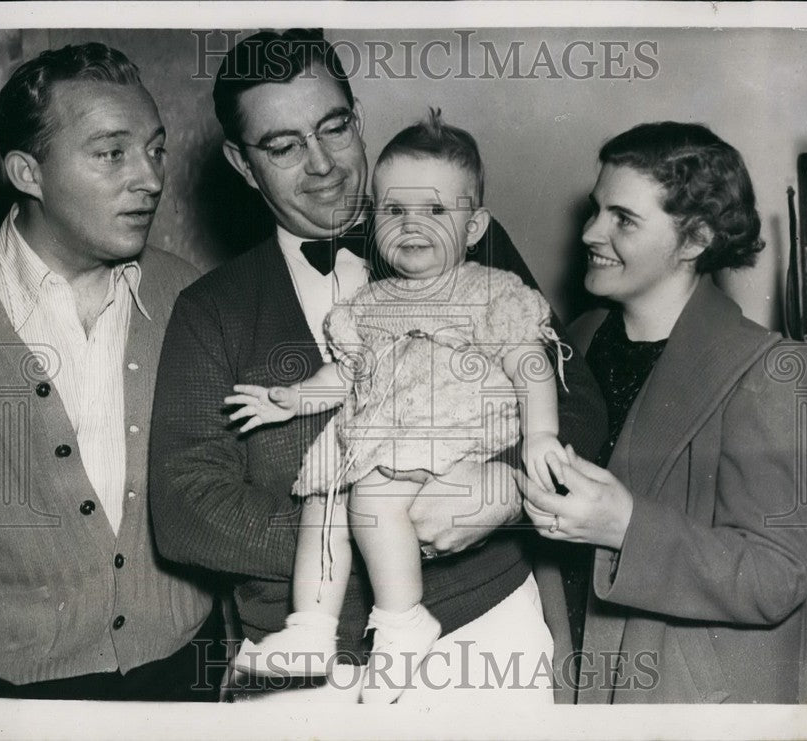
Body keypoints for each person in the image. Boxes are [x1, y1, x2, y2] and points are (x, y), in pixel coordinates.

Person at [148, 29, 606, 704]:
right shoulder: (210, 309)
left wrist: (507, 489)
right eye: (283, 146)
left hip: (485, 636)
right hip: (306, 668)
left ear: (358, 121)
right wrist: (368, 530)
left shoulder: (461, 244)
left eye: (333, 128)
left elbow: (579, 407)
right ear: (242, 165)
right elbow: (187, 508)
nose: (323, 164)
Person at [225, 110, 571, 703]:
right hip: (375, 430)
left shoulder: (491, 292)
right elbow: (351, 372)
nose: (412, 225)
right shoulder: (372, 302)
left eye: (435, 211)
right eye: (393, 210)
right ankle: (310, 629)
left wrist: (540, 437)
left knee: (376, 498)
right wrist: (293, 399)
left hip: (449, 427)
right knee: (324, 501)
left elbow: (530, 363)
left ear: (474, 225)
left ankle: (403, 618)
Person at [520, 122, 807, 703]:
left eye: (624, 219)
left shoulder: (778, 373)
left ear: (694, 241)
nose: (590, 231)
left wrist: (627, 527)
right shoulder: (578, 340)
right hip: (567, 678)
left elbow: (776, 577)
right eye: (596, 210)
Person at [0, 43, 221, 701]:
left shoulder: (193, 298)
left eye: (155, 150)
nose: (150, 178)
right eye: (111, 153)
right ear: (27, 172)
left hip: (180, 667)